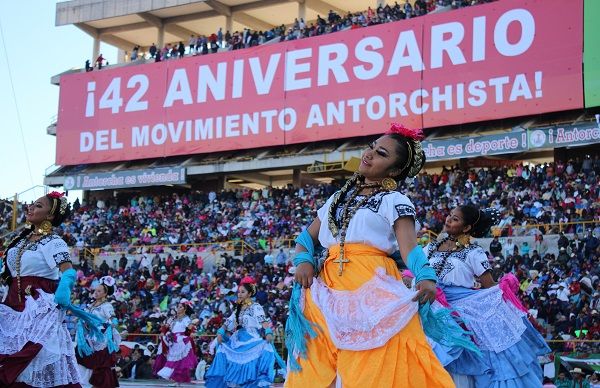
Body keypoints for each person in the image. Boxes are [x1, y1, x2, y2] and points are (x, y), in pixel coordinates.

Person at [286, 124, 456, 387]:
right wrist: (303, 259)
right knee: (318, 369)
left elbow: (409, 248)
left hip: (372, 289)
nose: (370, 154)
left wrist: (425, 275)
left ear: (395, 171)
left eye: (382, 154)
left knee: (374, 366)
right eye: (372, 147)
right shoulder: (336, 200)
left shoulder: (394, 201)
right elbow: (306, 238)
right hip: (326, 291)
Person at [426, 204, 550, 387]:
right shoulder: (429, 248)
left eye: (455, 219)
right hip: (430, 306)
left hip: (461, 311)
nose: (448, 220)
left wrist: (505, 290)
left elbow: (489, 287)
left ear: (467, 228)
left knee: (485, 358)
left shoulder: (474, 253)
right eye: (450, 216)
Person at [0, 192, 100, 386]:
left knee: (33, 358)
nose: (30, 208)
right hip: (12, 304)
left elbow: (68, 271)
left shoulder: (53, 242)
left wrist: (64, 288)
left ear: (50, 216)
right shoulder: (20, 241)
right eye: (32, 204)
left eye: (38, 206)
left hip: (37, 308)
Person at [205, 279, 280, 387]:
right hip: (237, 339)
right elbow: (228, 322)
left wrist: (268, 332)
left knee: (252, 363)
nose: (239, 294)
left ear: (249, 293)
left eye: (243, 292)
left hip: (251, 338)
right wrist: (220, 332)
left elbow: (263, 321)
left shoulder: (256, 306)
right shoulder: (238, 308)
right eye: (239, 292)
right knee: (225, 353)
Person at [76, 275, 121, 388]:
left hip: (100, 341)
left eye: (99, 290)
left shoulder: (107, 306)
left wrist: (106, 325)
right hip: (89, 340)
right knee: (84, 364)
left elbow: (113, 320)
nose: (96, 292)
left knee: (99, 368)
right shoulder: (91, 304)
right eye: (95, 290)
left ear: (105, 293)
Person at [155, 300, 198, 385]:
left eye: (180, 307)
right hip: (173, 341)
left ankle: (176, 381)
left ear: (184, 309)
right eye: (178, 307)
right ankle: (175, 380)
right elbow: (166, 326)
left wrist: (192, 327)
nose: (178, 308)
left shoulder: (186, 318)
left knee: (179, 362)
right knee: (173, 360)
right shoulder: (173, 318)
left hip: (181, 341)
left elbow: (190, 327)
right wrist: (164, 332)